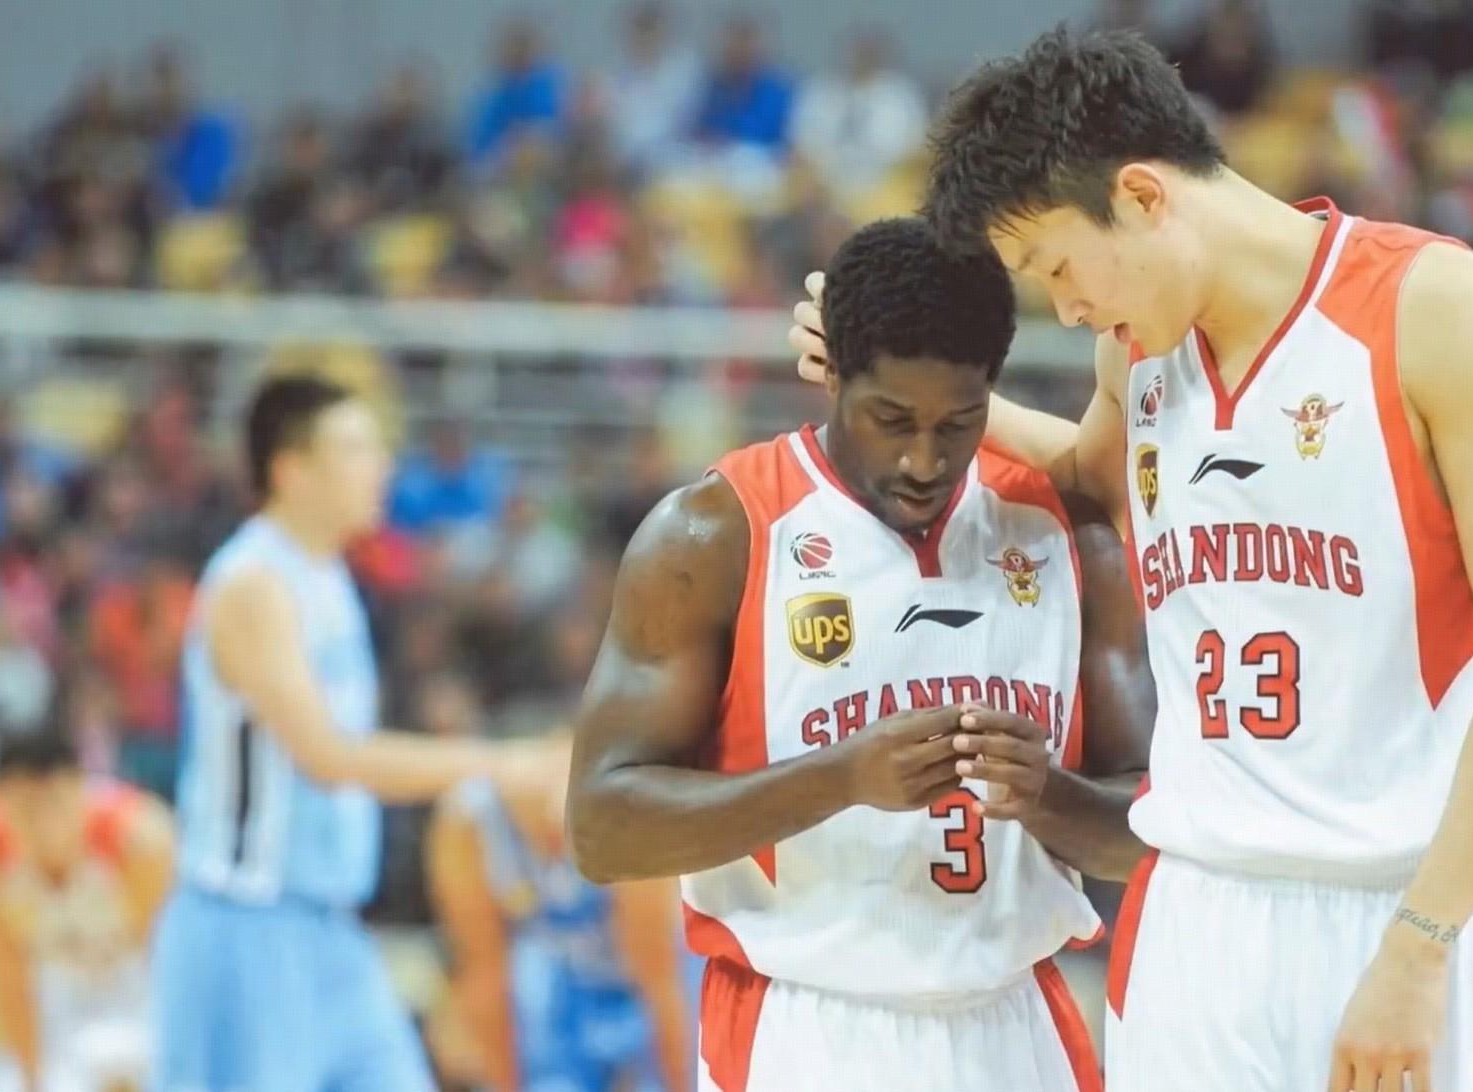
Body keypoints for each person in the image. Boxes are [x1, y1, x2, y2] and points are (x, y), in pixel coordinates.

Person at [789, 29, 1473, 1092]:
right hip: (1197, 917)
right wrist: (903, 390)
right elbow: (1088, 479)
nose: (1068, 308)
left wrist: (1419, 944)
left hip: (1404, 903)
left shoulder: (1437, 310)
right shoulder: (1136, 353)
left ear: (1141, 195)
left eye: (1058, 267)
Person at [568, 217, 1154, 1092]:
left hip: (1016, 1020)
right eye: (892, 419)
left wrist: (1047, 796)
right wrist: (838, 778)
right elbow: (601, 830)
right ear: (831, 373)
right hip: (807, 1030)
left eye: (957, 423)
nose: (923, 459)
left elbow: (1147, 836)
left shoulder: (1068, 537)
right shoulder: (714, 534)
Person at [151, 374, 545, 1092]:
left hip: (333, 926)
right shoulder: (252, 584)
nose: (381, 466)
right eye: (357, 448)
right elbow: (327, 757)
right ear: (291, 470)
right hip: (248, 925)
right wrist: (499, 762)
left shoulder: (329, 576)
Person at [428, 734, 692, 1092]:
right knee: (511, 995)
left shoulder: (627, 813)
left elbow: (659, 978)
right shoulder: (469, 821)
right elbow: (484, 971)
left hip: (639, 982)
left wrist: (681, 1083)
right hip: (559, 993)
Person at [0, 728, 173, 1092]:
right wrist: (31, 1080)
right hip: (48, 996)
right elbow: (5, 973)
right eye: (24, 810)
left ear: (80, 790)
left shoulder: (139, 840)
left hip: (131, 989)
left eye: (53, 806)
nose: (41, 826)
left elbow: (168, 962)